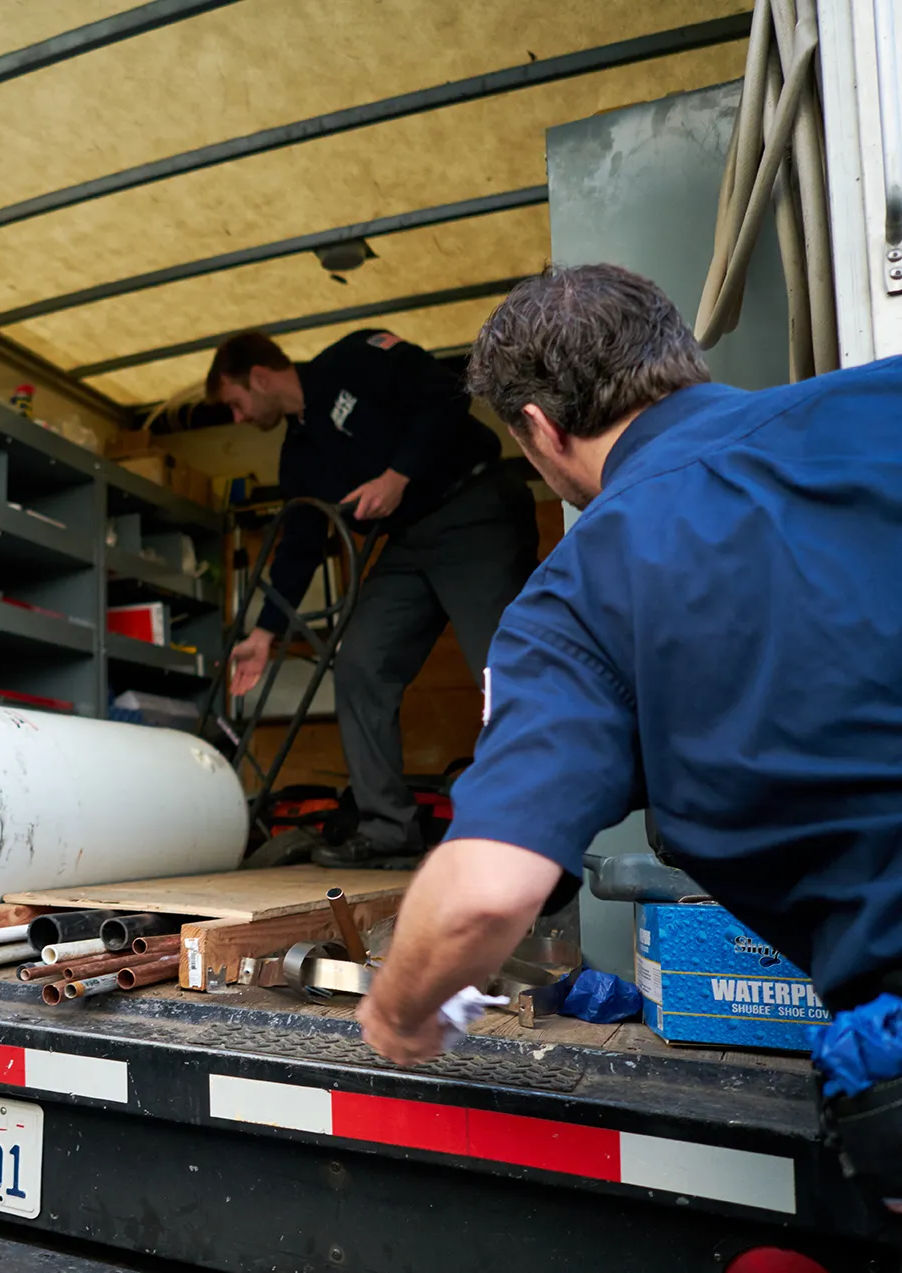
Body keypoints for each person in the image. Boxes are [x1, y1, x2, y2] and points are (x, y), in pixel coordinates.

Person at [357, 265, 902, 1213]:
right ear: (677, 356)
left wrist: (398, 1011)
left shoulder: (575, 595)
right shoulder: (882, 400)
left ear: (538, 430)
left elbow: (478, 898)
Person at [205, 328, 539, 867]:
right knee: (360, 662)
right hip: (408, 540)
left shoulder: (354, 360)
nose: (238, 419)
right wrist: (264, 633)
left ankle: (531, 825)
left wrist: (399, 474)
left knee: (502, 670)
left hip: (473, 508)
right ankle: (388, 827)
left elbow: (448, 392)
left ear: (259, 378)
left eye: (236, 403)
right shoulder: (300, 454)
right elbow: (302, 544)